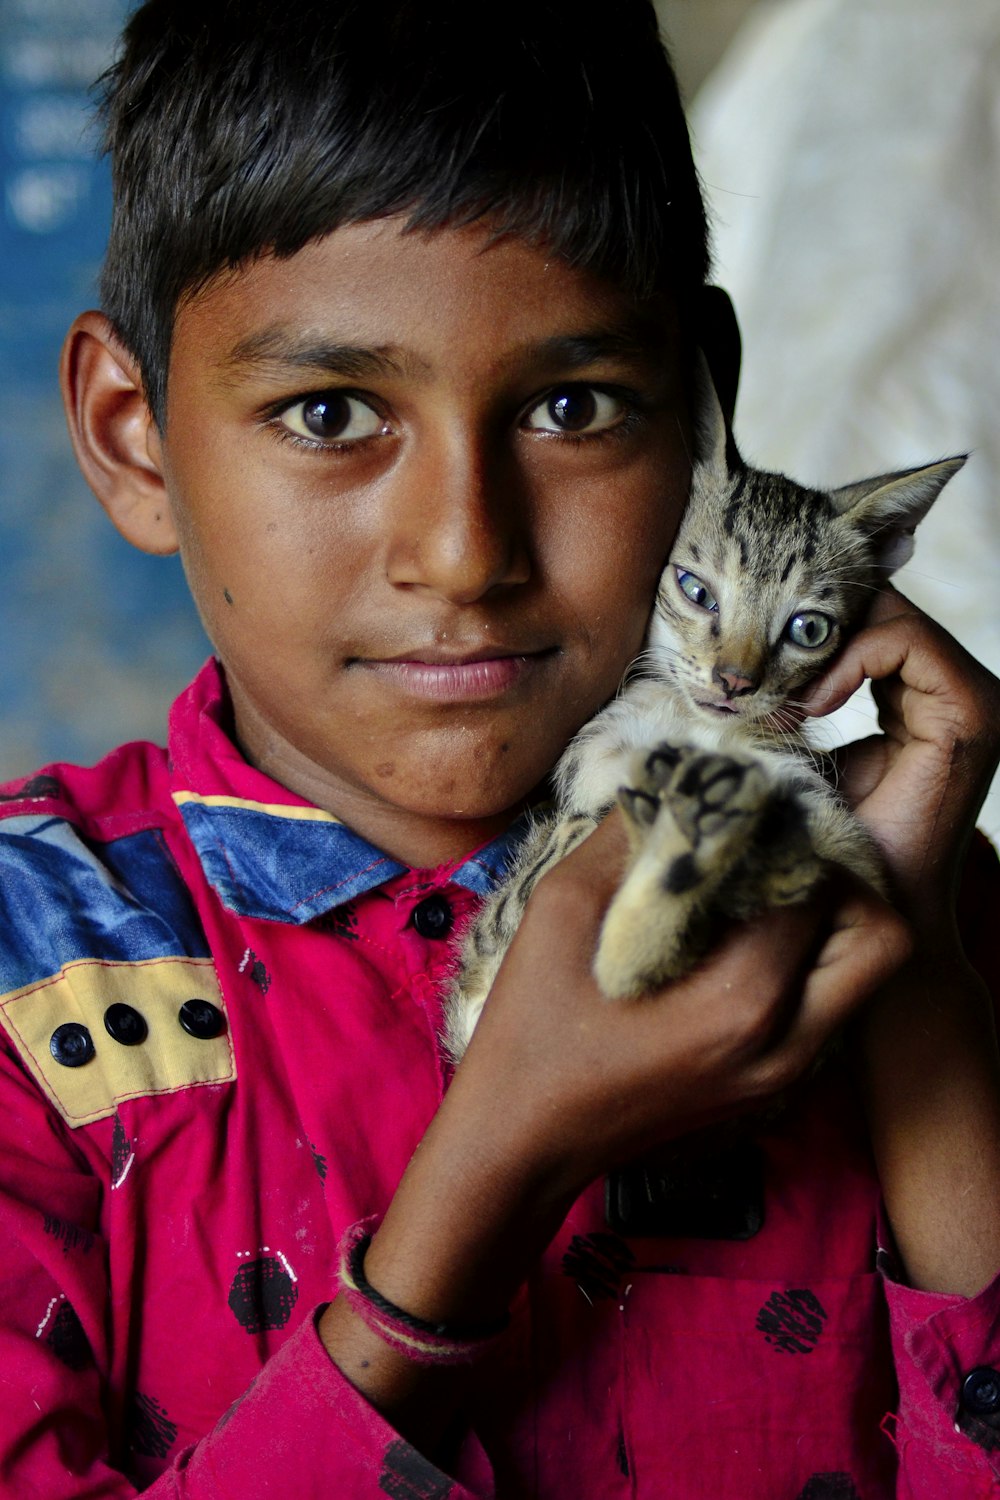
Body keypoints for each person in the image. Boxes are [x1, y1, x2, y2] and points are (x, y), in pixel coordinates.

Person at [1, 2, 999, 1496]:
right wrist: (487, 1185)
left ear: (703, 410)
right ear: (136, 436)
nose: (466, 552)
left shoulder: (897, 901)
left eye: (571, 405)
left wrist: (916, 977)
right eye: (331, 411)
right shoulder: (34, 976)